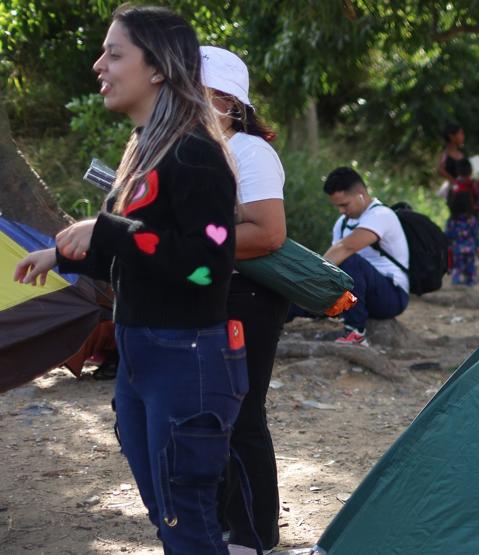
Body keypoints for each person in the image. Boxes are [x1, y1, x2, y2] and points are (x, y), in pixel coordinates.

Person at [14, 6, 242, 553]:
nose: (99, 65)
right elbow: (137, 252)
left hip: (187, 359)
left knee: (186, 515)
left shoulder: (196, 154)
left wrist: (109, 229)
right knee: (167, 514)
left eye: (115, 54)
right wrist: (65, 256)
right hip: (140, 354)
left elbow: (207, 266)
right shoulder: (145, 148)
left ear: (159, 68)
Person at [201, 45, 287, 552]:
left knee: (242, 415)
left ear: (232, 102)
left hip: (247, 296)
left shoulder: (251, 152)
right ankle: (216, 524)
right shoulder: (185, 149)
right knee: (207, 414)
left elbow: (268, 234)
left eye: (209, 95)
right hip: (204, 293)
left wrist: (191, 239)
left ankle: (255, 535)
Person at [323, 167, 410, 345]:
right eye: (337, 206)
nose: (341, 211)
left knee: (348, 260)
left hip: (392, 295)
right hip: (359, 294)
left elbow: (346, 248)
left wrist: (310, 276)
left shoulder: (381, 215)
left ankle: (356, 332)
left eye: (344, 204)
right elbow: (333, 258)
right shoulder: (342, 223)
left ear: (361, 194)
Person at [438, 123, 479, 280]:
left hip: (466, 201)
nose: (462, 137)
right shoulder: (447, 154)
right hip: (459, 200)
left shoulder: (460, 154)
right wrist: (455, 182)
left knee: (465, 233)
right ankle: (478, 268)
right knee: (469, 233)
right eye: (460, 133)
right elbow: (440, 169)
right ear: (452, 136)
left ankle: (471, 268)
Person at [446, 158, 479, 286]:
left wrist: (448, 245)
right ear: (470, 170)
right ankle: (470, 281)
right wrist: (477, 246)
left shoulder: (451, 221)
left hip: (456, 248)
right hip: (470, 247)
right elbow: (476, 234)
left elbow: (447, 234)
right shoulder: (473, 221)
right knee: (470, 266)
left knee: (457, 265)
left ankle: (456, 280)